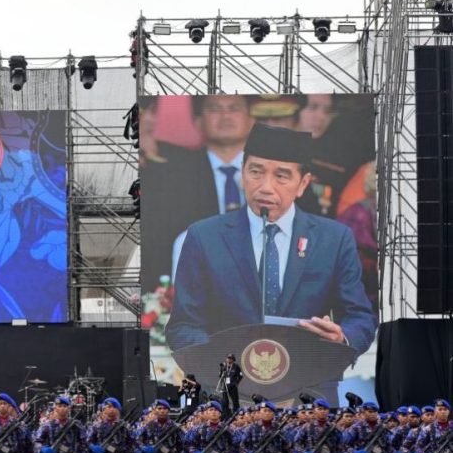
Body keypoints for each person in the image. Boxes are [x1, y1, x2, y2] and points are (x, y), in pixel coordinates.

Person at [166, 123, 378, 357]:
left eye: (281, 176)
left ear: (303, 184)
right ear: (242, 173)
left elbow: (360, 318)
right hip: (228, 384)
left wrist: (341, 337)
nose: (266, 187)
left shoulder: (334, 239)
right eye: (255, 172)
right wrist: (223, 359)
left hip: (308, 383)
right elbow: (182, 326)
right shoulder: (204, 237)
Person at [142, 95, 254, 290]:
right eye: (215, 109)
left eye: (234, 108)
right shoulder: (170, 173)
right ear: (198, 121)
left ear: (252, 119)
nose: (225, 116)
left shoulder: (276, 172)